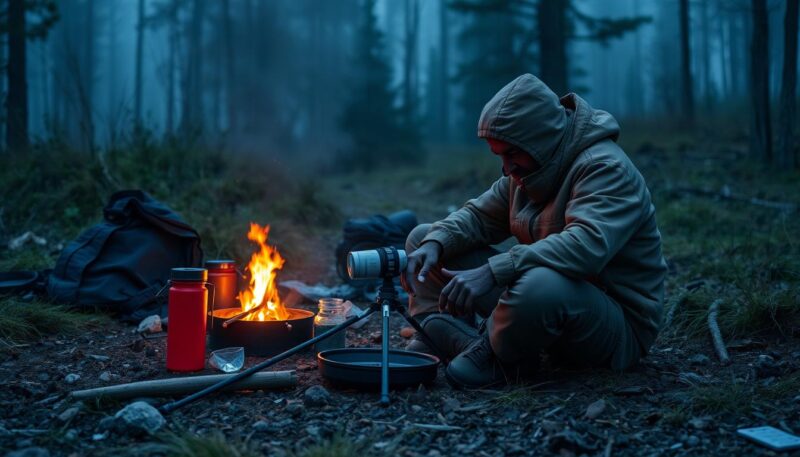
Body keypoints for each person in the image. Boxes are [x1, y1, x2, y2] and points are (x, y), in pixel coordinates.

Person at [401, 74, 667, 389]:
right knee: (425, 238)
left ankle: (501, 357)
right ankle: (441, 333)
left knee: (539, 285)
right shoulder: (531, 170)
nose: (506, 168)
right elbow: (477, 217)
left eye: (512, 153)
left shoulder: (604, 169)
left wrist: (494, 270)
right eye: (500, 156)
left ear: (541, 139)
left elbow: (585, 247)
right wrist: (436, 242)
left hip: (615, 326)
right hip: (552, 301)